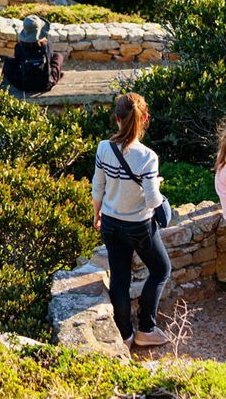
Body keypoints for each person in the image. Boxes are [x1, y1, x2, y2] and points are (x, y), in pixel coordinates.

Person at [91, 91, 171, 349]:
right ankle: (146, 328)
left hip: (111, 223)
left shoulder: (104, 148)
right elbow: (151, 200)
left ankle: (125, 334)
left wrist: (96, 214)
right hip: (139, 226)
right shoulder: (147, 157)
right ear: (144, 118)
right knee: (160, 270)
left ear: (117, 118)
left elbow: (98, 186)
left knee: (120, 279)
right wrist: (156, 185)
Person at [1, 14, 63, 95]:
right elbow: (50, 58)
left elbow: (18, 62)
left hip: (24, 85)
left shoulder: (19, 46)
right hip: (45, 84)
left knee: (7, 61)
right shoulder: (46, 44)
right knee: (58, 56)